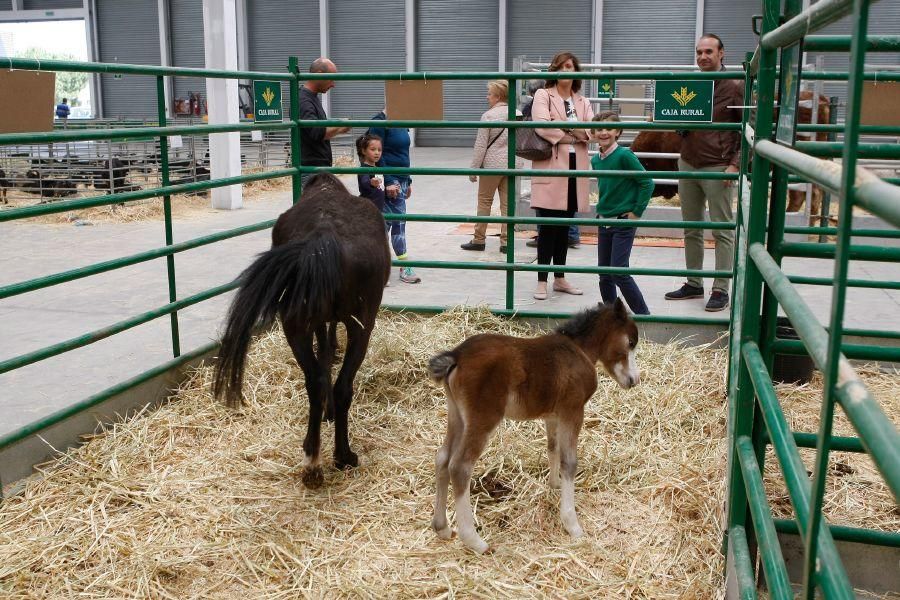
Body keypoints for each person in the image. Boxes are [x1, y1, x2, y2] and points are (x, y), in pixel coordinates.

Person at [664, 33, 742, 312]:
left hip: (718, 165)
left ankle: (721, 288)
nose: (702, 57)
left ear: (722, 54)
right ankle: (694, 282)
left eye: (708, 51)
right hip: (688, 162)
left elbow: (751, 127)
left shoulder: (735, 85)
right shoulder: (692, 83)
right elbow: (681, 116)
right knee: (691, 227)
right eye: (699, 52)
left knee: (722, 229)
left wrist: (736, 163)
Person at [529, 51, 594, 301]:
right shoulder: (544, 95)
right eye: (563, 66)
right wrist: (572, 133)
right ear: (554, 70)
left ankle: (560, 278)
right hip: (551, 167)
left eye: (572, 66)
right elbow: (542, 125)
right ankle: (542, 281)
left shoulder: (582, 101)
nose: (568, 70)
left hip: (575, 168)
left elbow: (591, 130)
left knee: (565, 225)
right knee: (548, 226)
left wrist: (569, 127)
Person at [590, 111, 652, 315]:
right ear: (592, 133)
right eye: (599, 129)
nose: (603, 132)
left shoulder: (625, 155)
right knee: (604, 274)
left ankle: (643, 315)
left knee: (619, 271)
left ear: (618, 132)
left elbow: (646, 182)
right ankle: (612, 317)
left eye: (609, 128)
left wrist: (637, 211)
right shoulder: (597, 160)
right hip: (604, 220)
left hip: (623, 220)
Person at [522, 80, 580, 251]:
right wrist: (570, 132)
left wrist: (561, 126)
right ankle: (571, 234)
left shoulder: (571, 100)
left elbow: (585, 130)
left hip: (553, 156)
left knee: (557, 203)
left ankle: (568, 234)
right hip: (558, 155)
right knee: (562, 200)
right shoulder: (544, 100)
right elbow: (543, 127)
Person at [369, 107, 421, 283]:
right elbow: (376, 154)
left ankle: (378, 268)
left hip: (401, 180)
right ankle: (400, 267)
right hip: (389, 181)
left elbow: (403, 153)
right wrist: (389, 180)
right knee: (395, 223)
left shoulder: (401, 120)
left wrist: (409, 180)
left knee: (389, 223)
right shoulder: (379, 122)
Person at [461, 80, 511, 253]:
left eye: (489, 94)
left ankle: (479, 239)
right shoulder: (517, 113)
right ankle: (506, 242)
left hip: (491, 165)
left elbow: (481, 145)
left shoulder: (488, 116)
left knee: (484, 202)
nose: (487, 97)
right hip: (512, 165)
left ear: (498, 96)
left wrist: (474, 169)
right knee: (507, 206)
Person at [298, 58, 351, 188]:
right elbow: (316, 132)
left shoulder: (311, 98)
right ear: (320, 74)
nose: (333, 84)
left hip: (316, 169)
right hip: (311, 170)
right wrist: (339, 126)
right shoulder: (304, 101)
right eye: (331, 79)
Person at [355, 133, 385, 213]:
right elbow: (364, 182)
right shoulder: (364, 168)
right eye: (373, 149)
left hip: (379, 209)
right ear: (364, 151)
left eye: (379, 150)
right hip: (368, 210)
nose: (377, 153)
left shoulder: (378, 169)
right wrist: (371, 182)